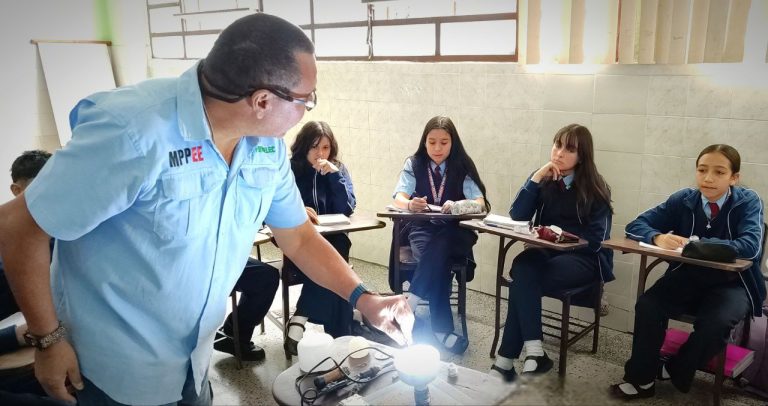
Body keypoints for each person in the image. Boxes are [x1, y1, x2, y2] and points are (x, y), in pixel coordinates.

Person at [0, 13, 413, 405]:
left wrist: (365, 299)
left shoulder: (263, 145)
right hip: (116, 368)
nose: (308, 109)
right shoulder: (134, 132)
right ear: (263, 101)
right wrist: (47, 339)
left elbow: (298, 236)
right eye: (307, 99)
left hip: (194, 362)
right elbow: (18, 227)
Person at [611, 144, 765, 400]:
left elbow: (750, 247)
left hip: (732, 284)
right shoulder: (683, 199)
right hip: (688, 276)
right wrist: (657, 236)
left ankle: (676, 367)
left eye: (719, 172)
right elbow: (635, 225)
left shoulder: (748, 202)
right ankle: (642, 379)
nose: (708, 178)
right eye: (702, 170)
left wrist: (697, 246)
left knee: (715, 323)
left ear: (734, 178)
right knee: (648, 305)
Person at [489, 124, 614, 383]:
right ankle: (534, 351)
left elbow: (597, 240)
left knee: (523, 283)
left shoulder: (596, 188)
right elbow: (518, 216)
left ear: (583, 156)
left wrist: (562, 240)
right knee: (522, 267)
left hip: (583, 259)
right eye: (557, 145)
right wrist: (535, 179)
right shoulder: (544, 179)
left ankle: (505, 361)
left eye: (569, 149)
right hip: (545, 253)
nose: (559, 153)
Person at [391, 115, 489, 355]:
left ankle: (408, 306)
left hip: (457, 232)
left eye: (443, 142)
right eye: (432, 141)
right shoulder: (413, 163)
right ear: (424, 142)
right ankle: (442, 330)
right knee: (437, 261)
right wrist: (409, 204)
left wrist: (458, 206)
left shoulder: (463, 165)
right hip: (422, 227)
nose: (437, 148)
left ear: (453, 142)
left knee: (441, 247)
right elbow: (399, 196)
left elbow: (480, 203)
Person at [283, 121, 357, 355]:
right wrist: (298, 210)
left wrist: (335, 178)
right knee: (338, 269)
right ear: (304, 147)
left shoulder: (338, 170)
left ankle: (301, 317)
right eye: (314, 147)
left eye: (325, 148)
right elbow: (274, 205)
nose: (320, 154)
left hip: (332, 238)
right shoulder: (290, 169)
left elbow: (347, 208)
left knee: (338, 247)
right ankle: (342, 336)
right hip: (297, 240)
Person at [213, 259, 279, 361]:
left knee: (265, 275)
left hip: (224, 252)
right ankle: (234, 334)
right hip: (200, 260)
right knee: (266, 277)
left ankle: (234, 333)